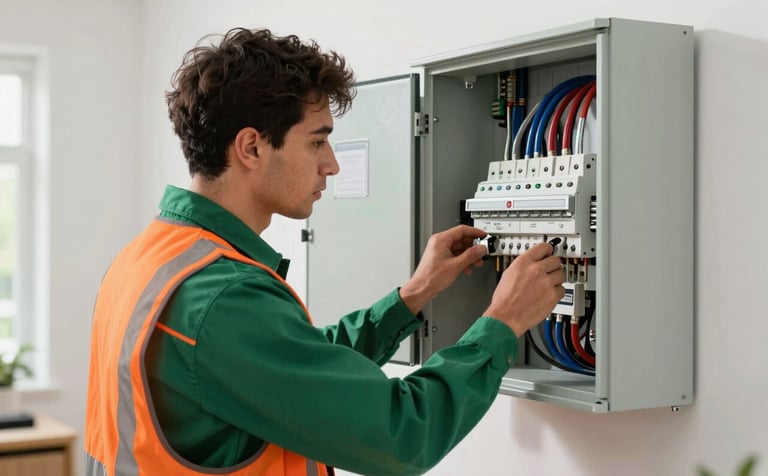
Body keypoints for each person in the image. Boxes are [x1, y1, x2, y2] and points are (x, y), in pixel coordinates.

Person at [84, 28, 565, 476]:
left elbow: (297, 372)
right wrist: (503, 323)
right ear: (251, 147)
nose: (332, 166)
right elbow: (401, 434)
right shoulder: (222, 299)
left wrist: (412, 296)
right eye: (317, 142)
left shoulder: (149, 260)